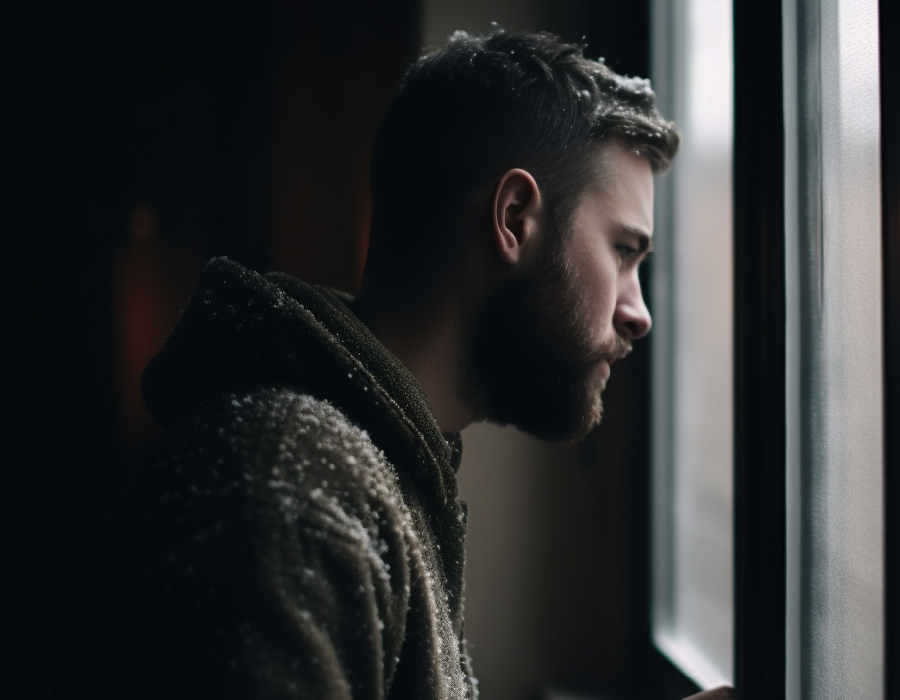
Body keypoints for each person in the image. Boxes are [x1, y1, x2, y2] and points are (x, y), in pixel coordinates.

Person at [61, 28, 735, 700]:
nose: (638, 312)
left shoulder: (369, 466)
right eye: (624, 252)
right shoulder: (290, 494)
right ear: (515, 216)